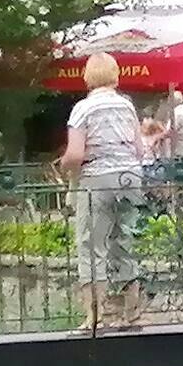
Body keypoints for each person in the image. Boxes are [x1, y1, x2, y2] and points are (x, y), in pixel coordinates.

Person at [60, 53, 148, 328]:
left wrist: (64, 166)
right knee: (124, 242)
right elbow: (139, 149)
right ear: (115, 74)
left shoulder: (82, 109)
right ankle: (131, 313)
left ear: (87, 76)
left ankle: (94, 317)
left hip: (97, 180)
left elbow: (75, 154)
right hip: (130, 177)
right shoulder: (127, 106)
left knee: (90, 246)